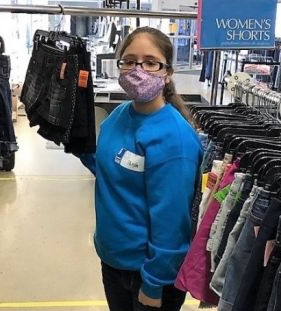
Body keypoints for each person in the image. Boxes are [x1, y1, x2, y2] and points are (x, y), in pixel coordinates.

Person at [77, 27, 202, 310]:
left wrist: (154, 283)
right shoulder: (120, 115)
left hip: (148, 274)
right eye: (129, 60)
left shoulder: (174, 139)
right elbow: (110, 171)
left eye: (150, 62)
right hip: (113, 259)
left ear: (167, 71)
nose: (138, 69)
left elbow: (172, 222)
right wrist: (78, 146)